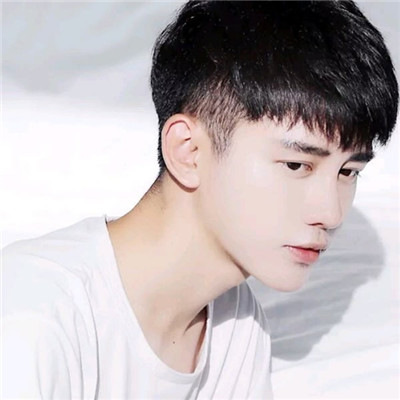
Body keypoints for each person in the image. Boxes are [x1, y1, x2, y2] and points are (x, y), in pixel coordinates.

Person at [2, 1, 398, 399]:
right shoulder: (32, 314)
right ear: (188, 151)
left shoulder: (237, 327)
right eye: (296, 165)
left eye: (349, 172)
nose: (331, 213)